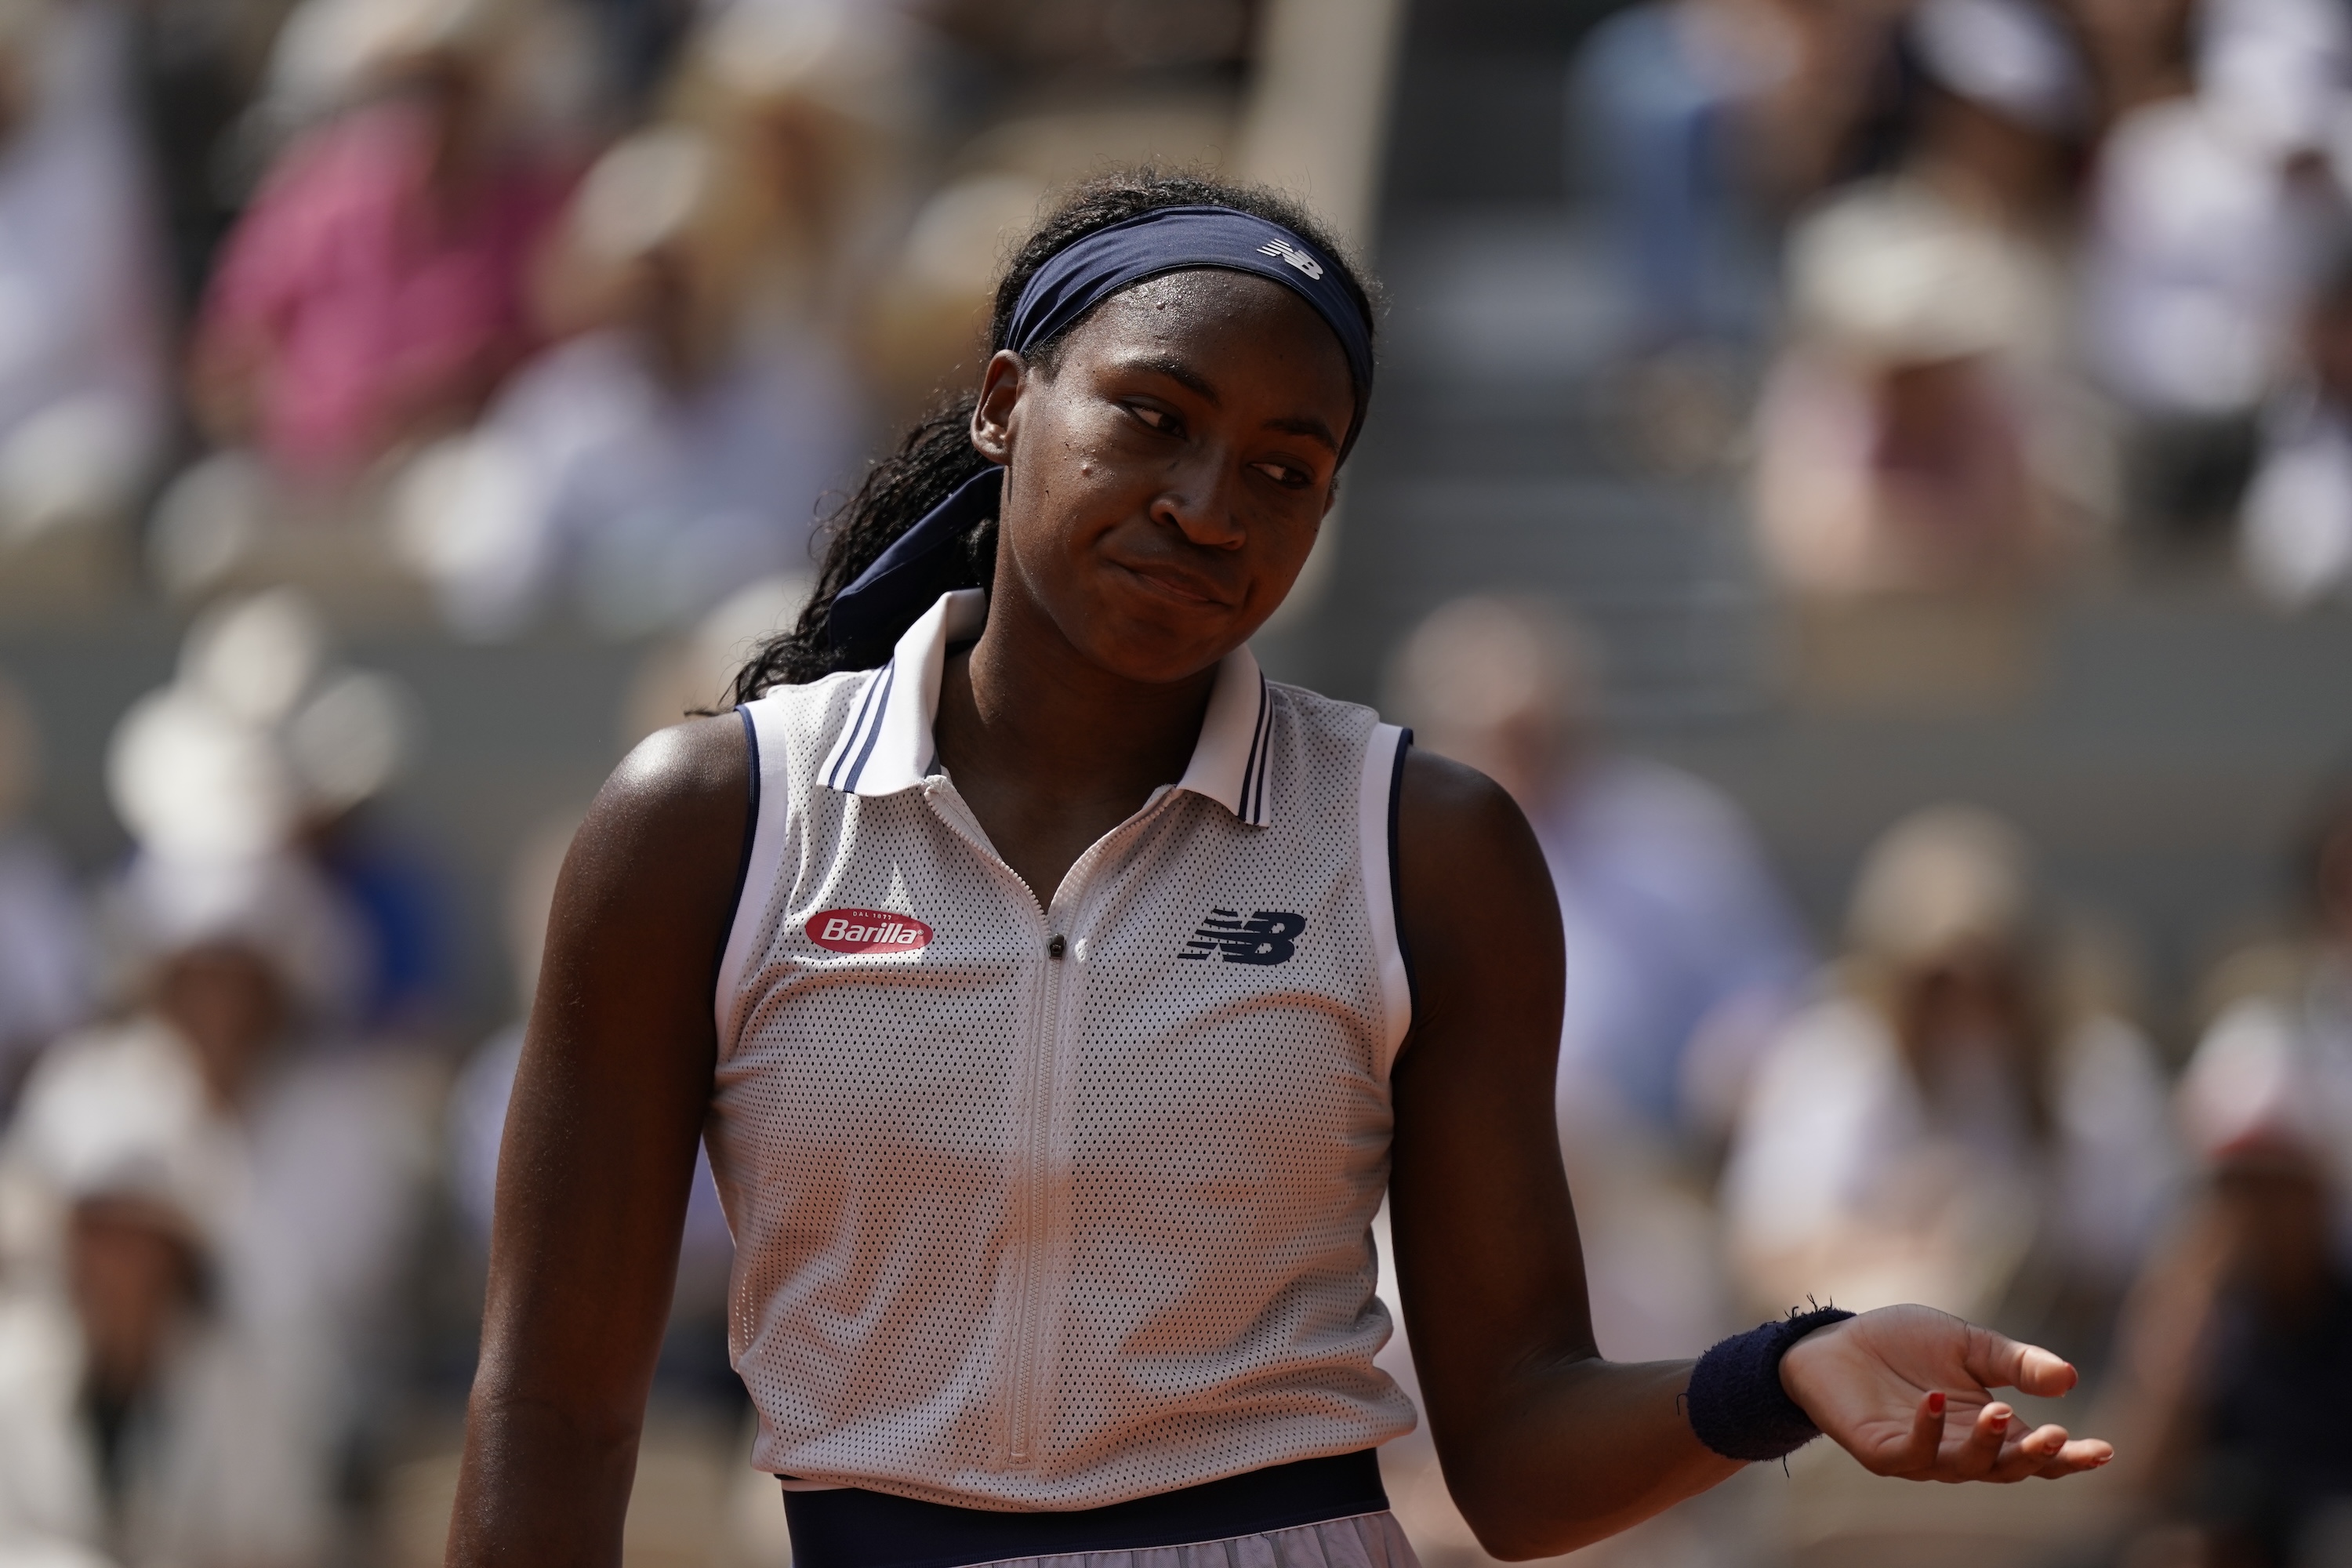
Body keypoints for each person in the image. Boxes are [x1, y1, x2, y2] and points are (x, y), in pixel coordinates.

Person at [447, 172, 2112, 1568]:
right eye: (1153, 419)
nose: (1208, 505)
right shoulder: (709, 821)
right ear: (1006, 402)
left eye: (1283, 469)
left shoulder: (1424, 845)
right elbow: (552, 1407)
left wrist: (1786, 1370)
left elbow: (1515, 1451)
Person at [1722, 806, 2180, 1338]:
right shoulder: (1832, 1060)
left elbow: (2148, 1253)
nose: (1965, 1003)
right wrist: (1907, 1248)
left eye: (1991, 974)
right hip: (1866, 1347)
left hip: (2061, 1354)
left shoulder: (2096, 1072)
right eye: (1938, 981)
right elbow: (1768, 1250)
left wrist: (2011, 1252)